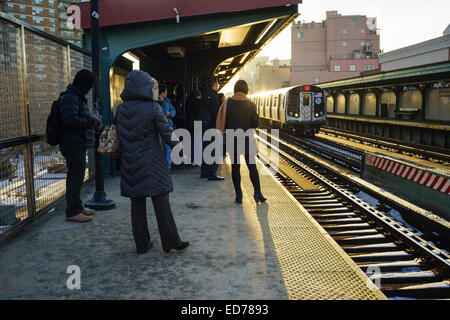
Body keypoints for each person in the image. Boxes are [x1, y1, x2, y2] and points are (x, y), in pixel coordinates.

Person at [116, 70, 189, 254]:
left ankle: (142, 244)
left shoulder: (121, 109)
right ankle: (171, 242)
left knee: (137, 204)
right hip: (153, 162)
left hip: (131, 162)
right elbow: (166, 132)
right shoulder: (152, 107)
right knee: (161, 201)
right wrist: (179, 149)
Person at [59, 69, 102, 223]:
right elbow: (70, 121)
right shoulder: (71, 97)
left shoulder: (75, 96)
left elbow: (74, 118)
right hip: (72, 143)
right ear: (84, 84)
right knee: (74, 178)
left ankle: (77, 207)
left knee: (77, 177)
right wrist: (91, 121)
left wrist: (90, 118)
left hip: (76, 142)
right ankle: (72, 211)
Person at [220, 80, 267, 204]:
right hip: (247, 138)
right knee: (252, 167)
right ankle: (258, 192)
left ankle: (239, 195)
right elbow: (255, 124)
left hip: (232, 138)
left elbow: (223, 122)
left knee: (236, 168)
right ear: (246, 89)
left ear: (236, 89)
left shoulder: (228, 103)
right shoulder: (250, 104)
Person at [199, 77, 224, 181]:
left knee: (206, 148)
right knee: (214, 149)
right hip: (212, 126)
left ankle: (204, 172)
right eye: (217, 85)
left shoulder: (204, 95)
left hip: (205, 126)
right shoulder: (214, 97)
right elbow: (216, 114)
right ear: (215, 85)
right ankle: (212, 173)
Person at [158, 84, 176, 169]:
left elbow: (173, 110)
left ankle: (168, 165)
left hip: (168, 125)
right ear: (162, 92)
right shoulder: (156, 102)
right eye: (166, 91)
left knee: (167, 146)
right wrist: (165, 113)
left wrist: (170, 114)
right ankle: (162, 165)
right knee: (160, 146)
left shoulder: (167, 101)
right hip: (160, 126)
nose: (167, 93)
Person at [186, 89, 202, 167]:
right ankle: (198, 160)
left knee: (192, 142)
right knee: (199, 142)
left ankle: (193, 160)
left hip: (190, 124)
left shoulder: (188, 101)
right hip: (198, 123)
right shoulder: (198, 102)